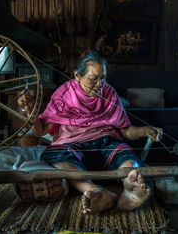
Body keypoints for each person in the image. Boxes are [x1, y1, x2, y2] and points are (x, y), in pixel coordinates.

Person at [19, 50, 161, 215]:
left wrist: (144, 130)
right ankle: (96, 192)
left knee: (127, 157)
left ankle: (130, 189)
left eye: (103, 78)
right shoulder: (64, 94)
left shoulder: (108, 92)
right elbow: (40, 131)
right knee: (60, 158)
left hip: (105, 141)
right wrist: (30, 110)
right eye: (93, 79)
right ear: (77, 76)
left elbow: (126, 131)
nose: (100, 84)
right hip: (70, 144)